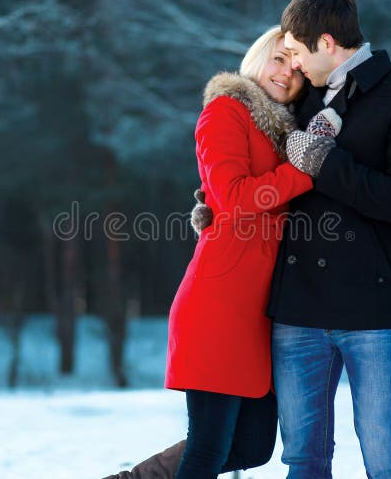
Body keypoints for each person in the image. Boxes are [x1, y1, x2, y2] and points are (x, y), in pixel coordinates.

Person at [194, 0, 391, 478]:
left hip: (372, 310)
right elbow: (251, 176)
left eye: (299, 53)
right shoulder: (296, 102)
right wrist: (217, 210)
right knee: (303, 458)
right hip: (297, 313)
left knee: (386, 455)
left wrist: (329, 166)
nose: (294, 66)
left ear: (326, 43)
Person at [103, 25, 314, 479]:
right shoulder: (226, 111)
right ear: (257, 57)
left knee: (253, 448)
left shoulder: (281, 131)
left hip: (260, 314)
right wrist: (305, 173)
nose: (286, 73)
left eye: (297, 68)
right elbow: (235, 198)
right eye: (278, 58)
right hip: (220, 304)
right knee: (208, 448)